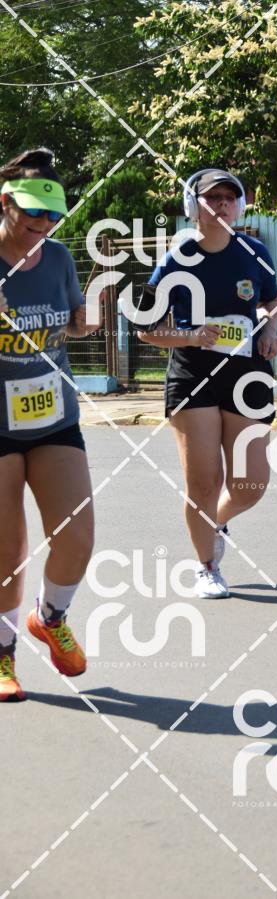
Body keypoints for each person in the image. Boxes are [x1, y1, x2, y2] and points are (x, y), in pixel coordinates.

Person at [136, 168, 277, 598]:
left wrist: (269, 329)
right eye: (211, 197)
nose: (221, 204)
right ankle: (206, 567)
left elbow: (271, 300)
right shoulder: (175, 258)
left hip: (247, 374)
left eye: (229, 198)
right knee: (203, 481)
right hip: (193, 375)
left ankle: (215, 522)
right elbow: (146, 329)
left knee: (250, 485)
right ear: (192, 206)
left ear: (239, 206)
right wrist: (191, 336)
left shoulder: (254, 251)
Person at [0, 148, 99, 702]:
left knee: (77, 539)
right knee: (6, 551)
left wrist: (84, 322)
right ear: (6, 203)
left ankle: (50, 616)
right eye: (34, 213)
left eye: (53, 216)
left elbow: (69, 324)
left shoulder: (58, 259)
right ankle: (3, 654)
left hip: (54, 417)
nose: (44, 224)